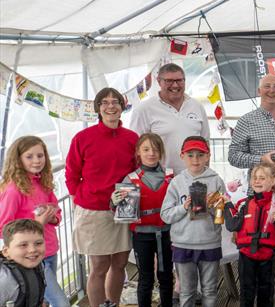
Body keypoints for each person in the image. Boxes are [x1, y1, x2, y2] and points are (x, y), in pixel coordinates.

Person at [66, 87, 138, 307]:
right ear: (98, 108)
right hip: (94, 209)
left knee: (120, 263)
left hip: (125, 206)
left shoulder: (132, 138)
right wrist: (82, 197)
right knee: (99, 266)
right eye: (105, 102)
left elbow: (137, 171)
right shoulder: (83, 138)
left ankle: (112, 304)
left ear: (122, 106)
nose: (111, 106)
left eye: (115, 101)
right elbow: (71, 173)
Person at [0, 136, 68, 307]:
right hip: (32, 256)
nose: (37, 161)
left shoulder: (43, 182)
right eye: (29, 156)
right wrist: (38, 222)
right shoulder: (13, 190)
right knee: (61, 303)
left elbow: (56, 210)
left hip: (50, 250)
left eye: (40, 155)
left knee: (41, 299)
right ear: (18, 159)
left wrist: (53, 217)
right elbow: (3, 228)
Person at [161, 137, 225, 307]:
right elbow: (165, 215)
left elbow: (222, 215)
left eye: (200, 155)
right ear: (182, 156)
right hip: (183, 244)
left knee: (210, 290)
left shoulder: (216, 180)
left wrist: (212, 207)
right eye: (190, 155)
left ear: (208, 156)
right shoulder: (176, 182)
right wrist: (184, 207)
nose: (195, 159)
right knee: (187, 291)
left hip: (209, 243)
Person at [223, 162, 275, 307]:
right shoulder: (244, 203)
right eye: (254, 177)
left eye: (262, 178)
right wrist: (228, 205)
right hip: (246, 255)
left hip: (268, 256)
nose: (257, 181)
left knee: (266, 291)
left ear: (273, 181)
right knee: (246, 291)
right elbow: (232, 225)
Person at [117, 133, 174, 307]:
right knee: (145, 278)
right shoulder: (130, 179)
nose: (151, 153)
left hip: (166, 234)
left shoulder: (171, 176)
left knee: (165, 276)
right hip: (142, 236)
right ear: (138, 152)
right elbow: (122, 211)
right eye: (146, 149)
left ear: (161, 152)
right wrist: (115, 202)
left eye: (155, 149)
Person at [130, 63, 210, 173]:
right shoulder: (144, 110)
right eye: (169, 81)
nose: (175, 85)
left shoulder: (197, 106)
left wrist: (206, 174)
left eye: (179, 80)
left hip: (194, 178)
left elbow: (205, 143)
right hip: (161, 180)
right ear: (159, 81)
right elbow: (135, 147)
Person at [0, 219, 47, 305]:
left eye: (38, 243)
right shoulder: (4, 281)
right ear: (6, 252)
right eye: (23, 245)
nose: (32, 250)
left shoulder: (37, 264)